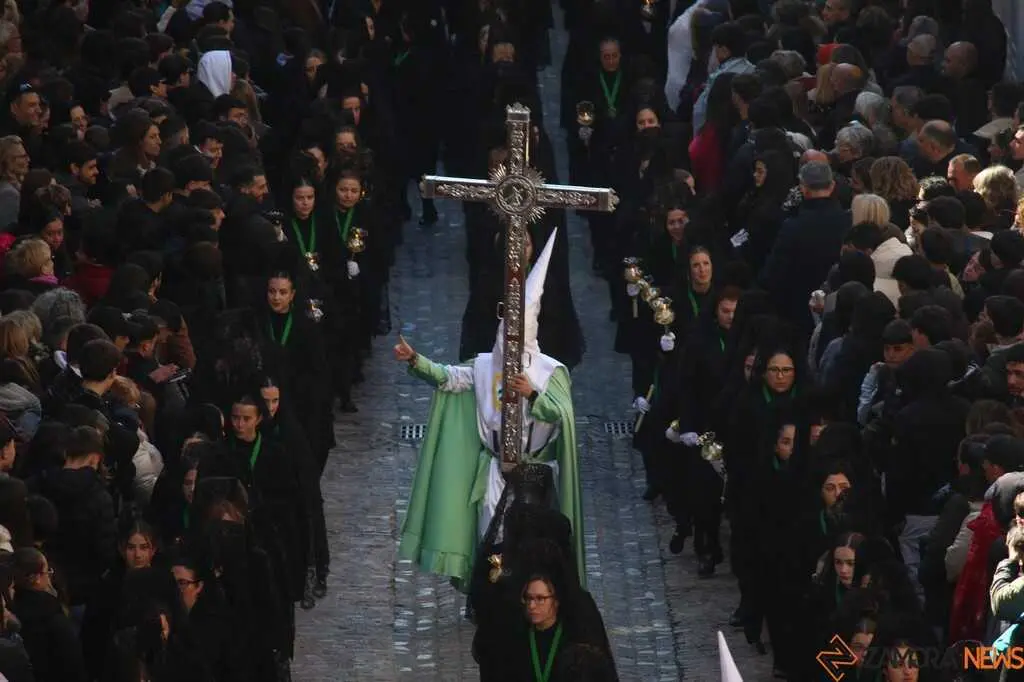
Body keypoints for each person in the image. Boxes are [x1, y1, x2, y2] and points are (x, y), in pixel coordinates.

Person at [394, 230, 584, 587]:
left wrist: (532, 395)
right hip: (495, 469)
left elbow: (562, 415)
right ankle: (491, 601)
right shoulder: (483, 367)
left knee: (531, 544)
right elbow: (449, 378)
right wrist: (416, 359)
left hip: (535, 472)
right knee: (492, 540)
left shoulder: (549, 371)